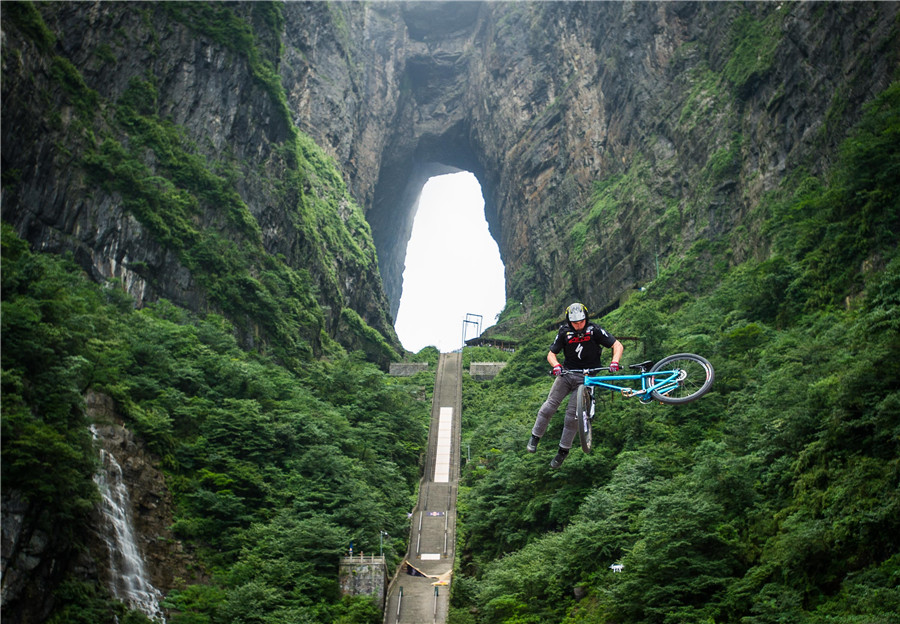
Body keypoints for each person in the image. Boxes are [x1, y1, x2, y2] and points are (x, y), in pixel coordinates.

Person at [527, 302, 623, 468]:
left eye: (581, 321)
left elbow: (617, 345)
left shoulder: (594, 330)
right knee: (549, 407)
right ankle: (535, 438)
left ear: (586, 318)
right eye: (575, 323)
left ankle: (562, 452)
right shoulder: (564, 332)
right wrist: (556, 366)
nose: (578, 326)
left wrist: (615, 361)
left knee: (572, 416)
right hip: (567, 374)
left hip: (586, 377)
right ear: (569, 321)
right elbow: (551, 354)